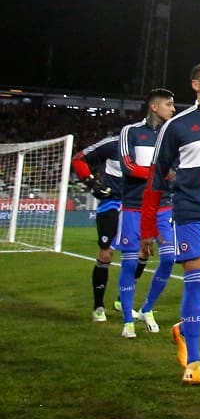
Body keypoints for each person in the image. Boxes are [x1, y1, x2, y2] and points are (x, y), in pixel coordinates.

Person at [140, 61, 200, 385]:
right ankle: (193, 361)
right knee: (196, 277)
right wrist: (148, 228)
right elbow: (154, 179)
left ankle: (183, 327)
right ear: (195, 84)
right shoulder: (177, 125)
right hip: (190, 211)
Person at [116, 89, 176, 338]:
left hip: (163, 206)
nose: (173, 109)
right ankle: (128, 319)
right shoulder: (130, 132)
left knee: (170, 257)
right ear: (154, 106)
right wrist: (159, 174)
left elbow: (176, 168)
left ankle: (147, 309)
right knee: (130, 262)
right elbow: (127, 166)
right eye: (169, 104)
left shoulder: (172, 134)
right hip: (134, 206)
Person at [71, 133, 124, 321]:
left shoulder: (155, 142)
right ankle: (98, 307)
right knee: (106, 254)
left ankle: (122, 301)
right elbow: (78, 159)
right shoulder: (113, 143)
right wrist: (91, 182)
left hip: (136, 206)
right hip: (111, 204)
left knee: (140, 253)